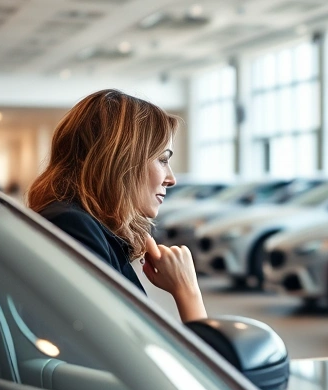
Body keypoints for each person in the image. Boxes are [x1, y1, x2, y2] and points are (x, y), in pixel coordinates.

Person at [27, 89, 207, 322]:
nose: (171, 179)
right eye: (163, 160)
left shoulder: (83, 225)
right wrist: (188, 290)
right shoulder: (73, 227)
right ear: (123, 160)